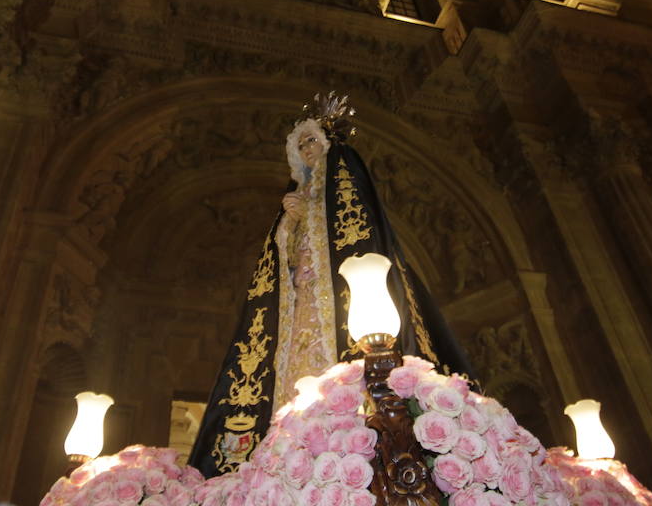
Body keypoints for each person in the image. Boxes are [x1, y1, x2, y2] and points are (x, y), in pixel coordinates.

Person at [188, 94, 474, 478]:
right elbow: (278, 266)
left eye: (312, 141)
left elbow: (356, 238)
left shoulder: (345, 184)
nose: (307, 149)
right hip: (302, 300)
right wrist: (288, 227)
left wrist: (311, 216)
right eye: (301, 144)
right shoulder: (295, 197)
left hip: (341, 304)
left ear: (326, 145)